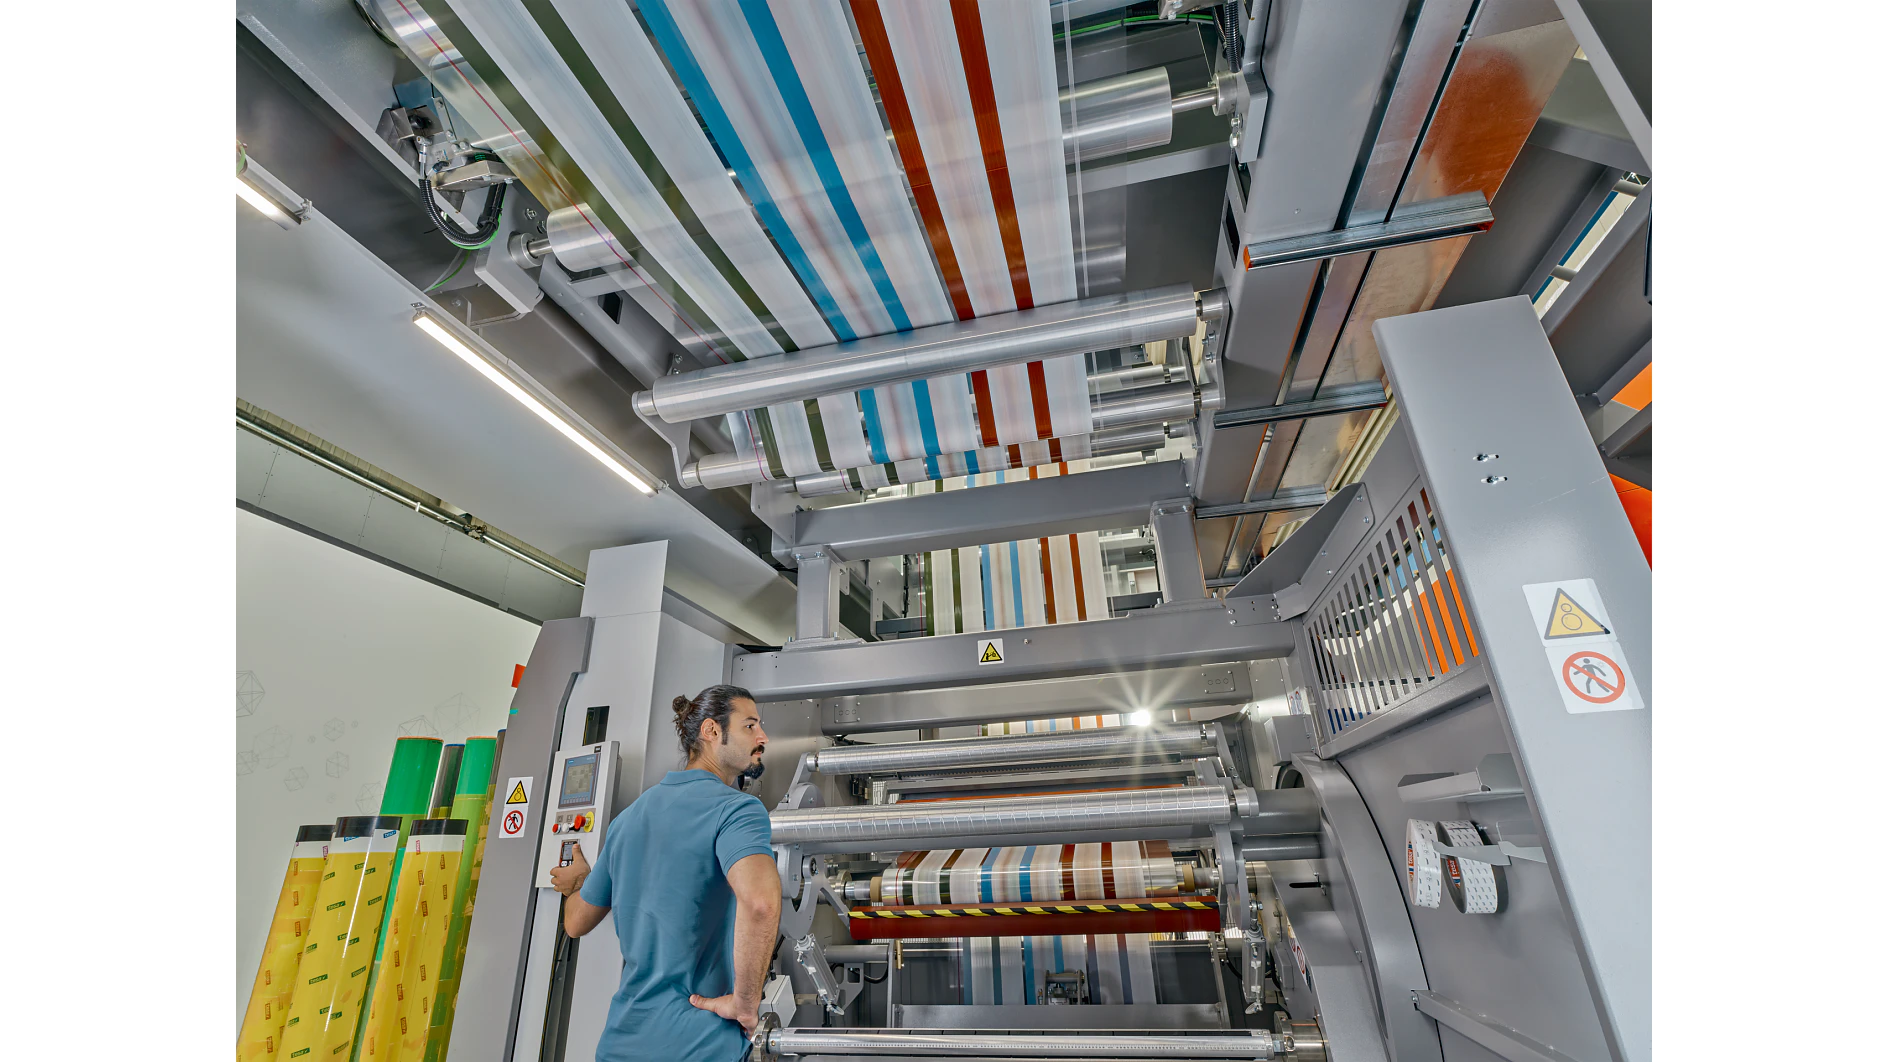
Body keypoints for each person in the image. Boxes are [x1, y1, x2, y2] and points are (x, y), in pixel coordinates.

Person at [549, 685, 780, 1061]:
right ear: (711, 732)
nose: (762, 737)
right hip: (698, 1045)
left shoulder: (628, 820)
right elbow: (760, 905)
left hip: (622, 1043)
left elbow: (575, 922)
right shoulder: (737, 810)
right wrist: (745, 1003)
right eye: (750, 726)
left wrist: (577, 882)